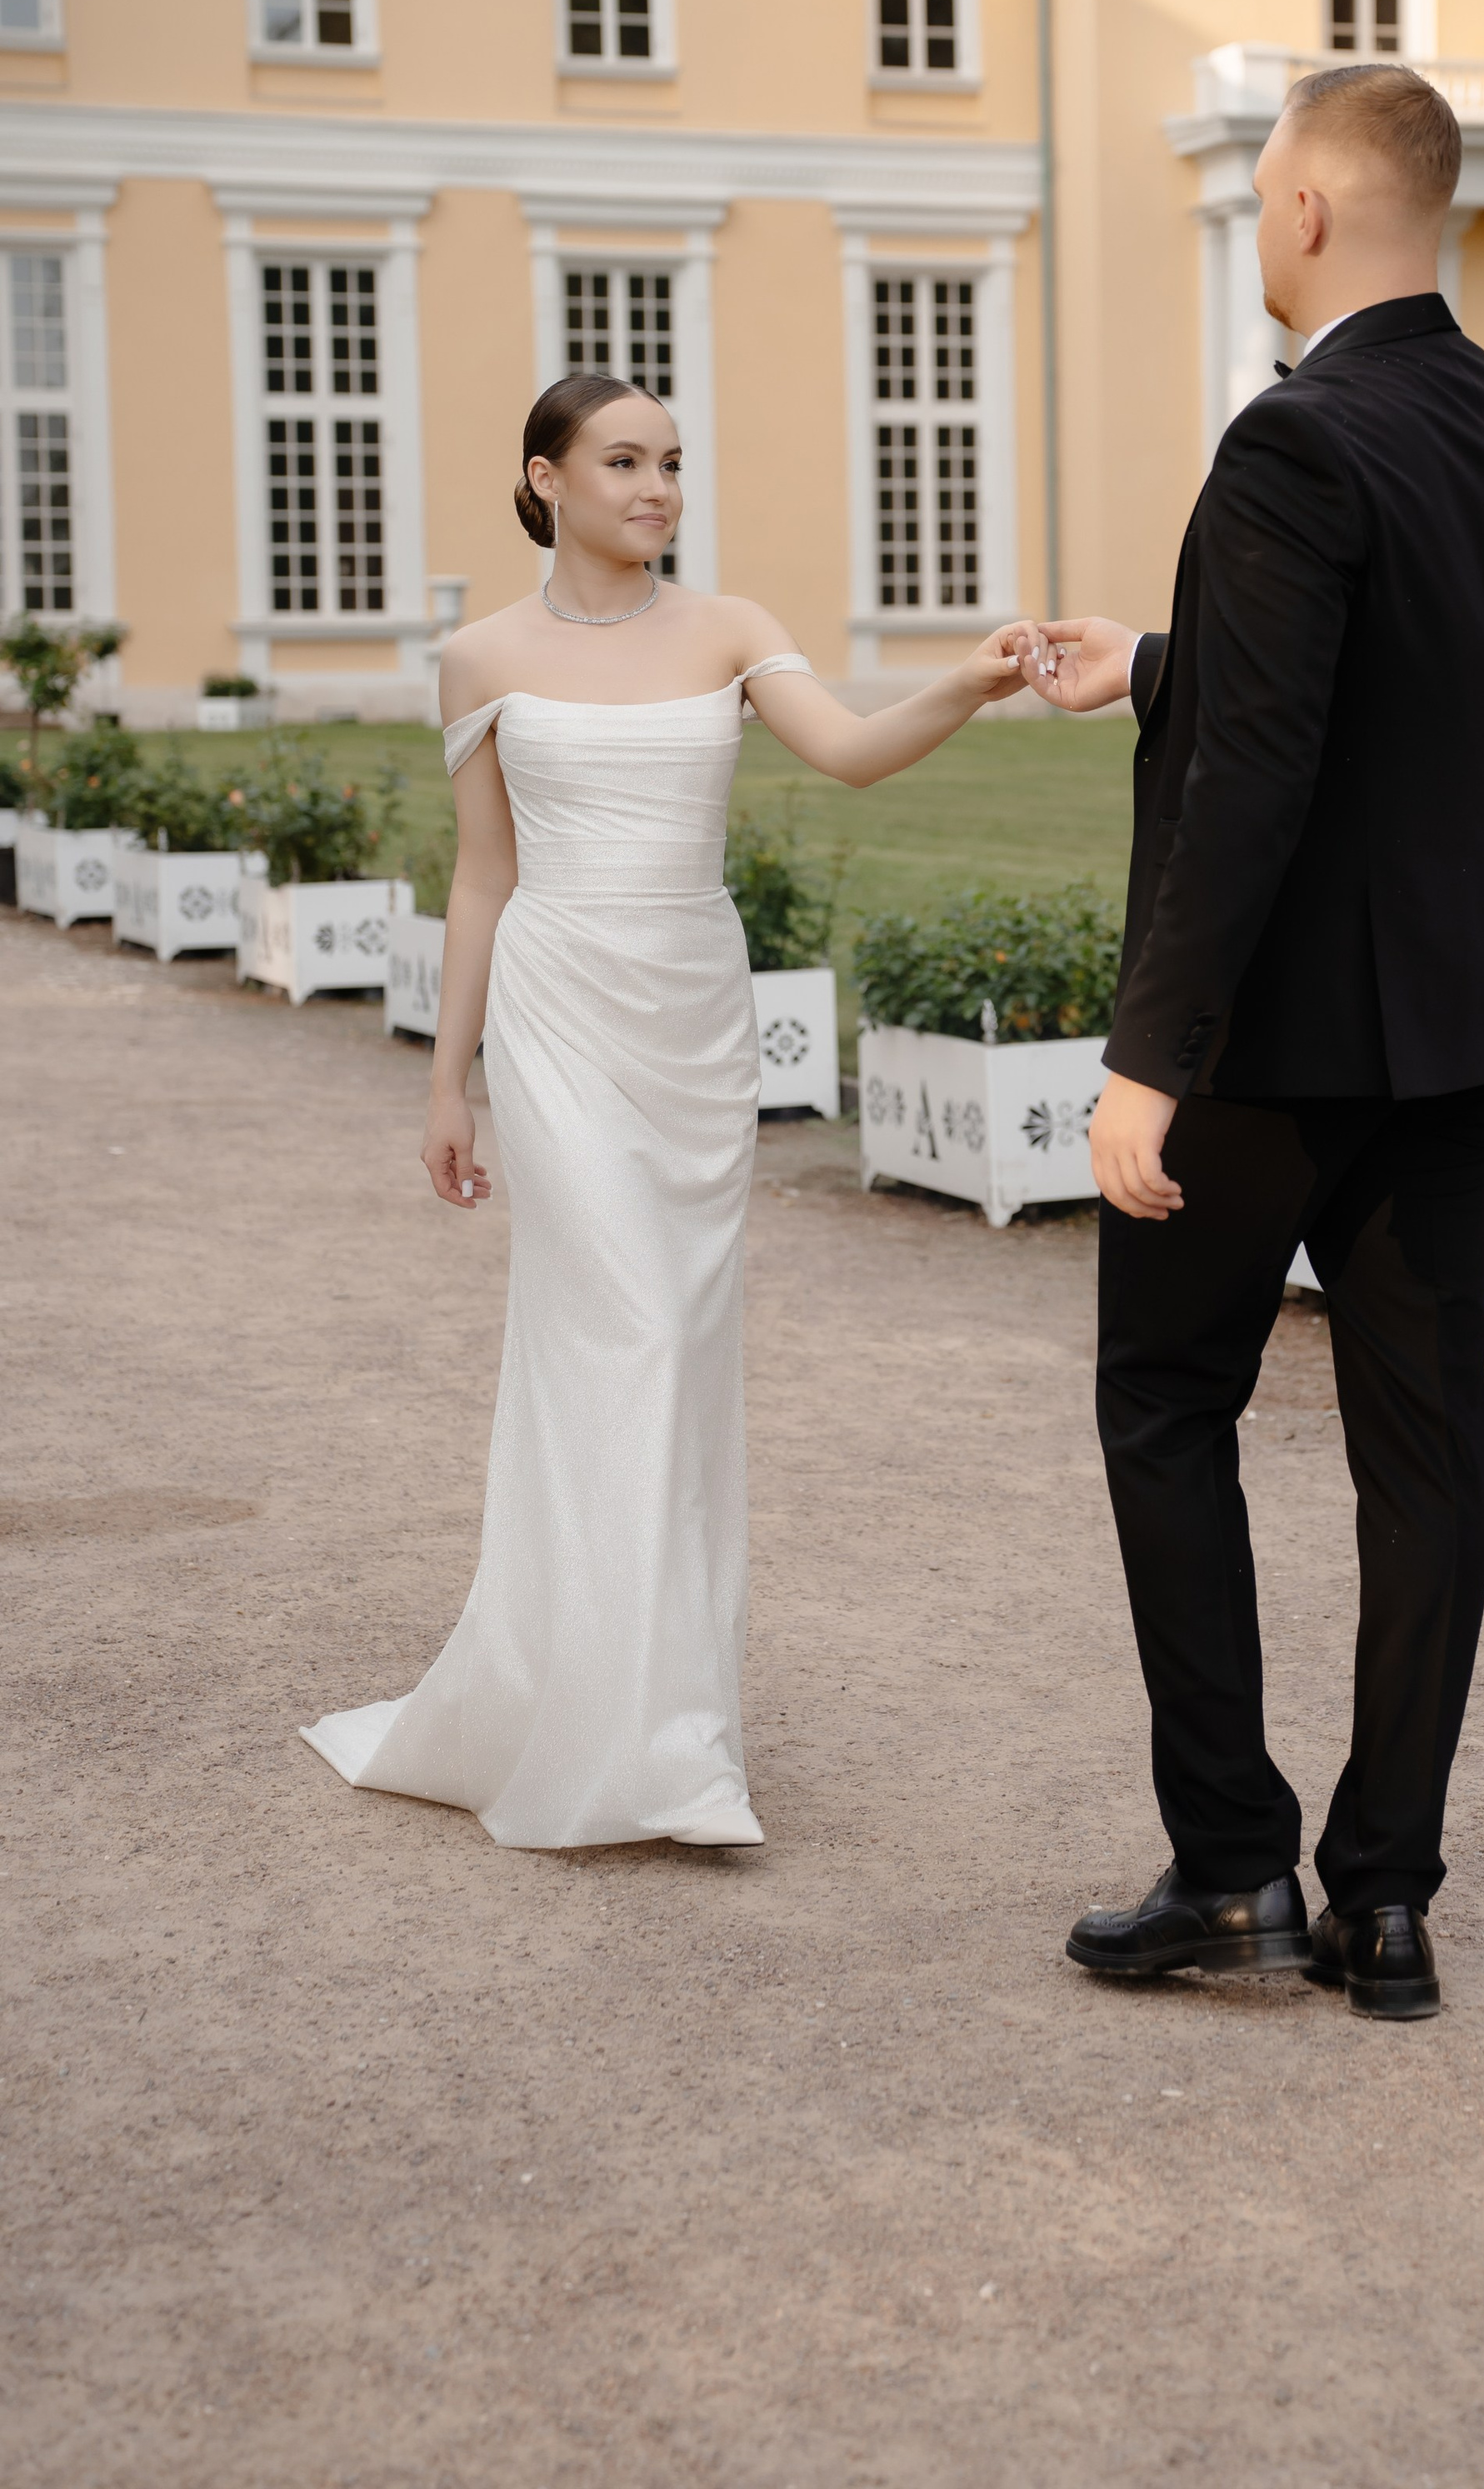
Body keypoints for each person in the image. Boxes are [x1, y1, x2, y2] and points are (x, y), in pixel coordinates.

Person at [302, 371, 1032, 1850]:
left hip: (696, 1016)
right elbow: (482, 877)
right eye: (624, 462)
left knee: (676, 1355)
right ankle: (643, 1747)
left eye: (674, 464)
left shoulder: (732, 629)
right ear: (545, 478)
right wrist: (452, 1077)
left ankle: (660, 1720)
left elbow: (846, 751)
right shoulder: (478, 655)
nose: (657, 489)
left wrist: (969, 679)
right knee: (621, 1326)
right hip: (560, 1013)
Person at [1021, 63, 1484, 2019]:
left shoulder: (1284, 442)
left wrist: (1145, 1055)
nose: (1257, 230)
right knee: (1423, 1455)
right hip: (1454, 1035)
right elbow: (1392, 705)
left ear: (1317, 212)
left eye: (1263, 200)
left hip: (1263, 1055)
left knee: (1163, 1409)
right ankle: (1390, 1898)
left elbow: (1262, 778)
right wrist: (1154, 663)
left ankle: (1236, 1871)